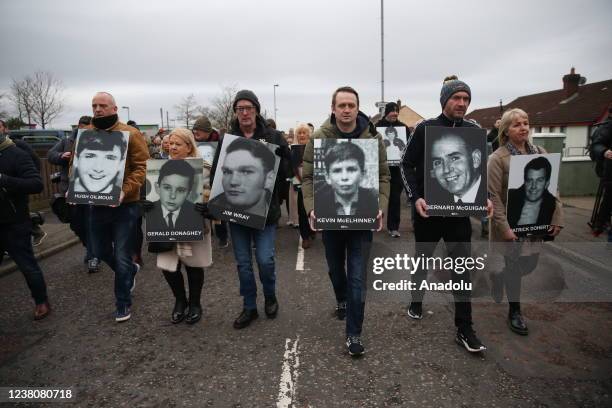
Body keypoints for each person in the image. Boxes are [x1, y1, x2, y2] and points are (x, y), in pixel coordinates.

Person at [400, 76, 492, 353]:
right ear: (444, 100)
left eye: (466, 99)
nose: (462, 103)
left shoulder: (474, 129)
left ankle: (464, 328)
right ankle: (416, 299)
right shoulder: (425, 128)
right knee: (422, 261)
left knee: (462, 269)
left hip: (459, 216)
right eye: (456, 98)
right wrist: (416, 198)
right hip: (428, 213)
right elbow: (406, 164)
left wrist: (485, 197)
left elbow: (480, 169)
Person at [302, 86, 390, 356]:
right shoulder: (318, 138)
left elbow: (384, 177)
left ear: (357, 107)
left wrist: (381, 207)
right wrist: (311, 208)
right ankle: (341, 299)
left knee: (357, 277)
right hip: (330, 219)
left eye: (351, 105)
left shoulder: (373, 139)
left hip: (362, 222)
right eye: (342, 105)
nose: (347, 110)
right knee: (335, 269)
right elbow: (307, 178)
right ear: (333, 108)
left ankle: (354, 333)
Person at [210, 89, 291, 329]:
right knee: (243, 263)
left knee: (265, 259)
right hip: (235, 213)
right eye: (240, 109)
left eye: (249, 108)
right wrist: (213, 205)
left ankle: (270, 295)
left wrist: (279, 160)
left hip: (265, 212)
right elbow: (217, 172)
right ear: (236, 112)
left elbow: (286, 170)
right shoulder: (228, 139)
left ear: (257, 110)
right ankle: (249, 306)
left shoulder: (274, 136)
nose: (244, 113)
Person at [488, 108, 563, 335]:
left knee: (529, 265)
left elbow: (553, 188)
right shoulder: (497, 158)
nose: (523, 128)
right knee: (513, 265)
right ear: (506, 131)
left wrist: (557, 218)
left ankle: (500, 278)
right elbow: (494, 197)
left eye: (525, 123)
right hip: (509, 226)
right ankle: (515, 312)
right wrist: (505, 228)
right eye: (516, 124)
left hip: (535, 222)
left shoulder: (540, 152)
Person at [81, 91, 149, 322]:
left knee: (121, 254)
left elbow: (142, 166)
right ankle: (130, 271)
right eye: (94, 106)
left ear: (114, 108)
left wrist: (124, 191)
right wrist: (75, 186)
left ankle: (123, 303)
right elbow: (76, 166)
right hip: (96, 204)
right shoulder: (86, 135)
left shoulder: (130, 134)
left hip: (125, 205)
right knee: (99, 251)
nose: (97, 110)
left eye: (102, 105)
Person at [142, 128, 212, 324]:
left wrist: (206, 203)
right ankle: (180, 301)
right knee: (169, 267)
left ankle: (195, 304)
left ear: (189, 147)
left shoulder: (204, 168)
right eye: (170, 143)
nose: (172, 147)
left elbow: (212, 194)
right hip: (165, 226)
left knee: (193, 266)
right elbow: (149, 193)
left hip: (194, 224)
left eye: (178, 144)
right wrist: (146, 203)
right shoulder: (158, 168)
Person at [0, 120, 50, 320]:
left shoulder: (17, 154)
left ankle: (41, 301)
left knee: (27, 266)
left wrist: (4, 180)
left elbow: (36, 184)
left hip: (14, 223)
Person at [48, 115, 99, 272]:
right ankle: (89, 247)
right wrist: (61, 156)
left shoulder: (98, 142)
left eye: (89, 129)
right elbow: (51, 155)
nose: (86, 132)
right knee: (76, 225)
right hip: (69, 190)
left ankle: (93, 256)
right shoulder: (65, 142)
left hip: (90, 190)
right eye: (83, 129)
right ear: (78, 127)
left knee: (90, 224)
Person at [209, 137, 277, 220]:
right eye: (227, 171)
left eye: (246, 172)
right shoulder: (215, 210)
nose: (233, 181)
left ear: (269, 179)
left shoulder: (272, 210)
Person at [315, 141, 379, 218]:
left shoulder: (375, 201)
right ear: (327, 177)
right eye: (337, 171)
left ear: (362, 174)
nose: (344, 177)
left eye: (351, 170)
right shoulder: (317, 203)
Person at [375, 102, 409, 238]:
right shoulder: (376, 127)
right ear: (386, 112)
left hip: (396, 171)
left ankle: (393, 227)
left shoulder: (403, 128)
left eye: (397, 111)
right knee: (376, 197)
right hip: (379, 169)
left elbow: (409, 147)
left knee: (395, 198)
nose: (395, 113)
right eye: (392, 111)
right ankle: (374, 223)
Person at [429, 132, 486, 204]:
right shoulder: (434, 202)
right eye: (438, 162)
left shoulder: (491, 195)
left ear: (475, 159)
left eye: (454, 158)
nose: (446, 170)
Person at [507, 156, 558, 229]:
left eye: (539, 180)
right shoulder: (510, 197)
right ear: (525, 182)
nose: (533, 186)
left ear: (547, 183)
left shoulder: (552, 204)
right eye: (530, 180)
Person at [71, 129, 127, 195]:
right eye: (90, 156)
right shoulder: (68, 193)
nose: (98, 169)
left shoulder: (122, 195)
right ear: (76, 159)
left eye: (110, 158)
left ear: (121, 163)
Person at [148, 159, 198, 231]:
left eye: (180, 190)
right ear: (157, 188)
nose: (172, 196)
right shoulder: (149, 210)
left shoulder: (195, 213)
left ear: (189, 193)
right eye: (167, 188)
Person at [589, 108, 612, 239]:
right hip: (609, 171)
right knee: (608, 201)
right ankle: (601, 224)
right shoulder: (608, 127)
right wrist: (605, 151)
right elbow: (596, 145)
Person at [293, 123, 316, 248]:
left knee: (313, 208)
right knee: (302, 211)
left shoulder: (314, 148)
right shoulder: (293, 149)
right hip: (300, 183)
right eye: (299, 133)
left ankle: (312, 229)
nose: (302, 135)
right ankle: (305, 236)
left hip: (313, 183)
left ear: (309, 134)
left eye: (304, 133)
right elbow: (290, 168)